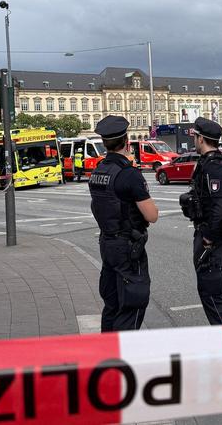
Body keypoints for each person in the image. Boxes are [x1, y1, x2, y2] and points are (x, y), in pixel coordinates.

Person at [89, 115, 159, 331]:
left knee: (112, 304)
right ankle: (123, 355)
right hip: (128, 247)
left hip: (107, 243)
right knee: (132, 304)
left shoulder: (98, 172)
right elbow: (151, 215)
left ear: (104, 143)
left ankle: (107, 352)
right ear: (126, 141)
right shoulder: (129, 175)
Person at [182, 117, 222, 325]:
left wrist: (208, 238)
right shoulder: (209, 163)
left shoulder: (214, 167)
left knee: (213, 295)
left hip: (212, 237)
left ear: (201, 139)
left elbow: (220, 207)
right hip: (208, 233)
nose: (194, 141)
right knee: (216, 292)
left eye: (195, 137)